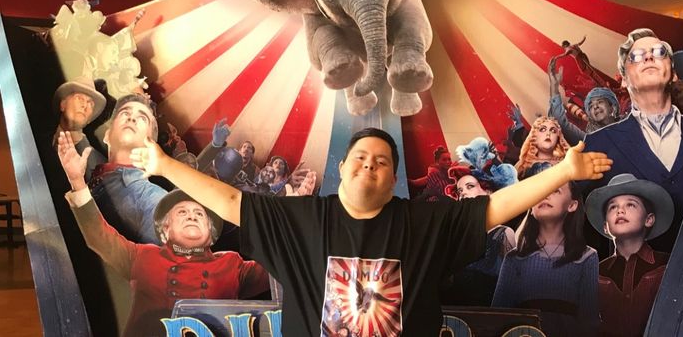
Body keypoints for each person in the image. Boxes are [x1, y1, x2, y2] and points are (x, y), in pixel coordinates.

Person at [129, 126, 611, 336]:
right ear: (341, 168)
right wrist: (166, 164)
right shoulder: (300, 219)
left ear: (393, 177)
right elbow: (231, 202)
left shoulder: (422, 222)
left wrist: (563, 171)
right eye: (360, 157)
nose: (369, 165)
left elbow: (496, 207)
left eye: (382, 161)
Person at [58, 129, 269, 336]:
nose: (192, 216)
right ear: (165, 229)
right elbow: (99, 237)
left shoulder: (232, 265)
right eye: (182, 212)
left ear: (211, 233)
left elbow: (277, 269)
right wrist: (77, 182)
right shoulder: (142, 257)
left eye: (199, 213)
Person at [583, 28, 683, 254]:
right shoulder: (598, 144)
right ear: (623, 80)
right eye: (636, 56)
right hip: (635, 274)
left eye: (658, 52)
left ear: (673, 73)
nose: (648, 57)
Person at [492, 162, 599, 337]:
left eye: (555, 190)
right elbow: (498, 317)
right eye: (540, 190)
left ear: (572, 205)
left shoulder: (587, 257)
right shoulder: (514, 258)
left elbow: (590, 321)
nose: (545, 195)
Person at [585, 173, 674, 337]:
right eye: (613, 207)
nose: (620, 210)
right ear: (605, 226)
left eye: (631, 204)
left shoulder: (668, 265)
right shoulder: (596, 272)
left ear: (649, 219)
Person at [441, 136, 518, 306]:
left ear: (488, 192)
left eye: (470, 187)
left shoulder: (503, 234)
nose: (463, 193)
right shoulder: (454, 237)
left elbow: (512, 286)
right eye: (459, 191)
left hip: (491, 315)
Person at [87, 93, 165, 244]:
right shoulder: (91, 170)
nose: (131, 118)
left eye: (142, 118)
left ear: (151, 147)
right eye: (125, 113)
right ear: (107, 135)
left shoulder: (154, 200)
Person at [548, 57, 620, 145]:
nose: (595, 106)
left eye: (600, 102)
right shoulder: (591, 140)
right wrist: (554, 87)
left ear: (612, 106)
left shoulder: (630, 122)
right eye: (591, 106)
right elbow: (561, 123)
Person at [52, 75, 108, 181]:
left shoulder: (100, 167)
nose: (85, 106)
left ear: (90, 118)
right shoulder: (35, 137)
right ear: (63, 104)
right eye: (79, 98)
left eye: (90, 104)